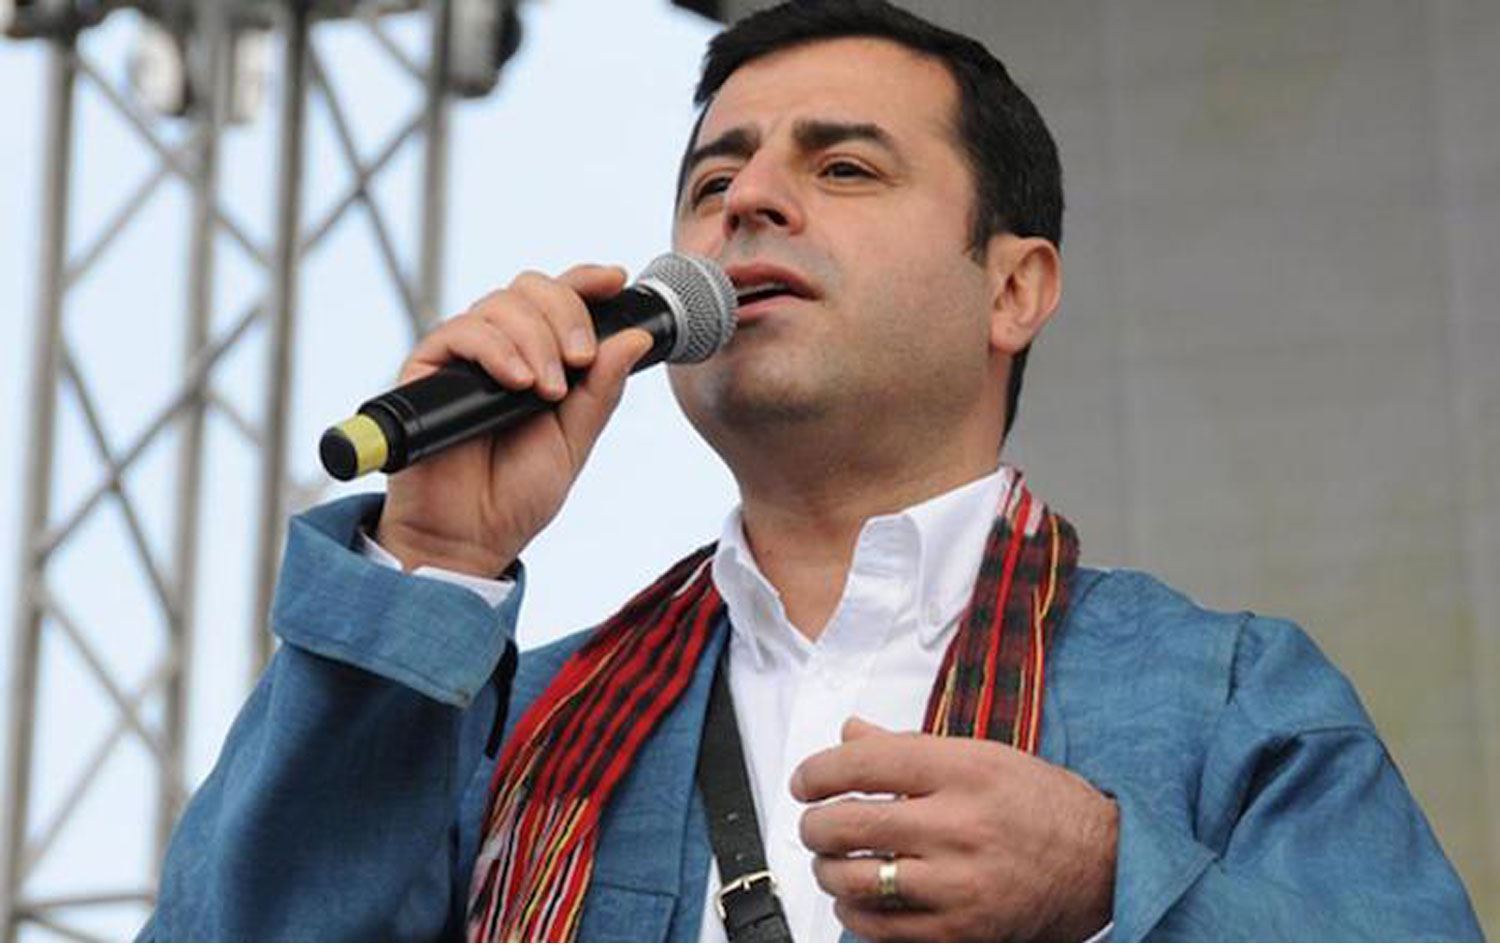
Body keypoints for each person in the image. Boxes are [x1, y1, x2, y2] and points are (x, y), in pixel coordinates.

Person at [140, 1, 1482, 941]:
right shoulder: (516, 718)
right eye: (712, 180)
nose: (748, 201)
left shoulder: (1233, 696)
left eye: (842, 166)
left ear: (1014, 288)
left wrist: (1109, 883)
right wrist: (434, 563)